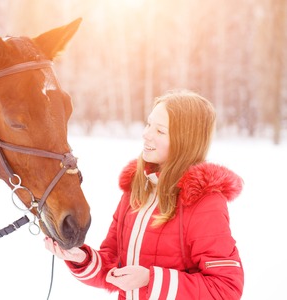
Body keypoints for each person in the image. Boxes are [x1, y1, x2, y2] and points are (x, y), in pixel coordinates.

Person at [44, 89, 244, 299]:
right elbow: (112, 266)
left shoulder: (204, 202)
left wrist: (151, 279)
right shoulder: (137, 189)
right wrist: (80, 257)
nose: (146, 134)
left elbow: (225, 289)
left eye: (160, 131)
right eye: (149, 124)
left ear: (185, 140)